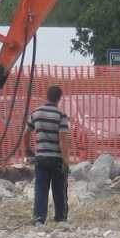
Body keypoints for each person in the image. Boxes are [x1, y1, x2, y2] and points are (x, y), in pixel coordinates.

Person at [21, 84, 71, 225]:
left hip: (41, 157)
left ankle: (38, 218)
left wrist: (27, 150)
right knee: (59, 189)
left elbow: (26, 133)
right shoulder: (61, 115)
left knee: (41, 189)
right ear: (59, 98)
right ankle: (60, 218)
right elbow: (62, 138)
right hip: (56, 159)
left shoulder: (36, 113)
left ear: (47, 96)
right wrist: (66, 159)